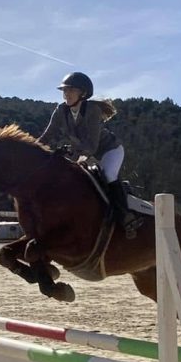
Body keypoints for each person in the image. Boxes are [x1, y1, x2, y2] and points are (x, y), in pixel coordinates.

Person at [38, 72, 140, 238]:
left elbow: (91, 146)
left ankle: (126, 216)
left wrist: (72, 153)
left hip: (109, 150)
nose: (66, 94)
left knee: (108, 175)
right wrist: (33, 150)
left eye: (71, 90)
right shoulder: (60, 111)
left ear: (83, 93)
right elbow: (46, 136)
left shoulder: (92, 110)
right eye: (64, 90)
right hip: (84, 152)